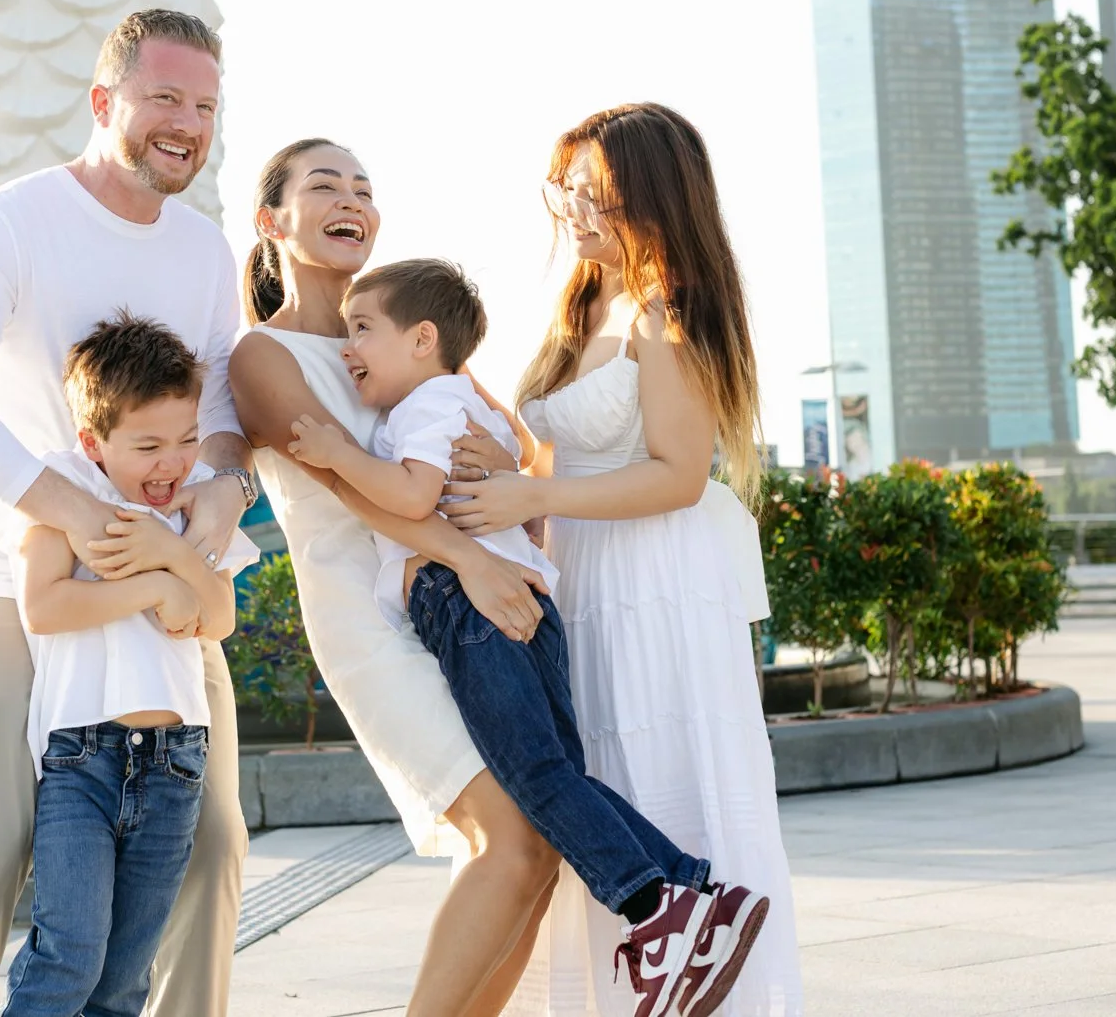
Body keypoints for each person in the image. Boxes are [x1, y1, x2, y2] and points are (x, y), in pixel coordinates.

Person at [287, 258, 769, 1017]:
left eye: (363, 329)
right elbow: (508, 455)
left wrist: (337, 455)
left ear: (422, 340)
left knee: (536, 779)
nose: (349, 348)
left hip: (471, 607)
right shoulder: (451, 401)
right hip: (523, 602)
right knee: (556, 775)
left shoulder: (423, 406)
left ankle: (658, 907)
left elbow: (412, 495)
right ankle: (691, 894)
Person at [0, 10, 253, 1017]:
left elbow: (224, 418)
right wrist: (71, 514)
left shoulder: (204, 251)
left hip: (160, 579)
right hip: (13, 580)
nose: (187, 123)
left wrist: (223, 494)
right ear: (103, 101)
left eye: (205, 106)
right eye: (164, 97)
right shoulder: (8, 224)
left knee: (214, 839)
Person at [446, 103, 805, 1015]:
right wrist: (509, 468)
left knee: (662, 773)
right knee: (595, 779)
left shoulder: (667, 308)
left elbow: (679, 474)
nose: (570, 208)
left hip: (659, 581)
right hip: (585, 575)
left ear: (650, 194)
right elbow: (558, 458)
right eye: (564, 188)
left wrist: (532, 496)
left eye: (591, 190)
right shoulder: (581, 304)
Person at [227, 140, 565, 1017]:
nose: (353, 200)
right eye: (326, 185)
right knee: (511, 835)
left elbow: (512, 442)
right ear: (271, 221)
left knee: (540, 846)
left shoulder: (408, 330)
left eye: (365, 188)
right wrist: (473, 558)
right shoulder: (260, 355)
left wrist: (502, 467)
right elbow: (352, 485)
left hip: (465, 603)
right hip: (372, 620)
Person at [2, 315, 256, 1017]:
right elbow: (44, 605)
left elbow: (219, 616)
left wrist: (172, 553)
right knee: (69, 955)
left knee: (122, 980)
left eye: (186, 439)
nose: (172, 463)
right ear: (94, 442)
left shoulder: (196, 499)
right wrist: (153, 589)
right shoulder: (65, 487)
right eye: (148, 446)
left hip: (176, 763)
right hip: (83, 760)